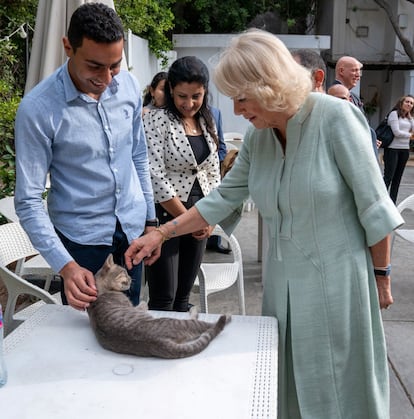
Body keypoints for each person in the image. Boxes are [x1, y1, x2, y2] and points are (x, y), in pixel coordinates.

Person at [125, 29, 403, 418]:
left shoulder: (336, 118)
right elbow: (221, 198)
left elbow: (375, 208)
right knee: (287, 387)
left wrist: (381, 277)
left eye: (243, 97)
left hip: (339, 285)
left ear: (271, 85)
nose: (236, 110)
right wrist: (163, 232)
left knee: (340, 390)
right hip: (283, 287)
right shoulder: (259, 137)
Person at [14, 2, 157, 310]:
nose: (107, 78)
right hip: (82, 243)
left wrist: (150, 220)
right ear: (68, 47)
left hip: (131, 230)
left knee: (128, 324)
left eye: (115, 64)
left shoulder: (129, 86)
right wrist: (65, 265)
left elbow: (137, 155)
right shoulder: (38, 109)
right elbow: (27, 201)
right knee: (86, 340)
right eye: (94, 66)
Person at [142, 55, 221, 311]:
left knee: (184, 296)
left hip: (201, 212)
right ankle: (157, 346)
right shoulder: (155, 120)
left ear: (205, 92)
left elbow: (212, 171)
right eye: (182, 96)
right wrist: (188, 218)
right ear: (171, 91)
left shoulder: (206, 121)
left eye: (196, 96)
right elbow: (155, 174)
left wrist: (210, 217)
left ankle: (180, 346)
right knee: (164, 296)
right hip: (167, 212)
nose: (189, 103)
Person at [206, 105, 231, 254]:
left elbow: (221, 143)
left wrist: (219, 163)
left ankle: (215, 241)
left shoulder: (215, 112)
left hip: (213, 170)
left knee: (216, 204)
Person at [383, 94, 414, 203]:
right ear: (401, 103)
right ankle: (381, 202)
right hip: (392, 149)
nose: (409, 104)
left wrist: (411, 121)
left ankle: (392, 203)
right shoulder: (394, 114)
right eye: (407, 102)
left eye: (411, 103)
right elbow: (396, 132)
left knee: (397, 179)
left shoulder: (410, 118)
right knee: (388, 177)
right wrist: (410, 135)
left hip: (404, 150)